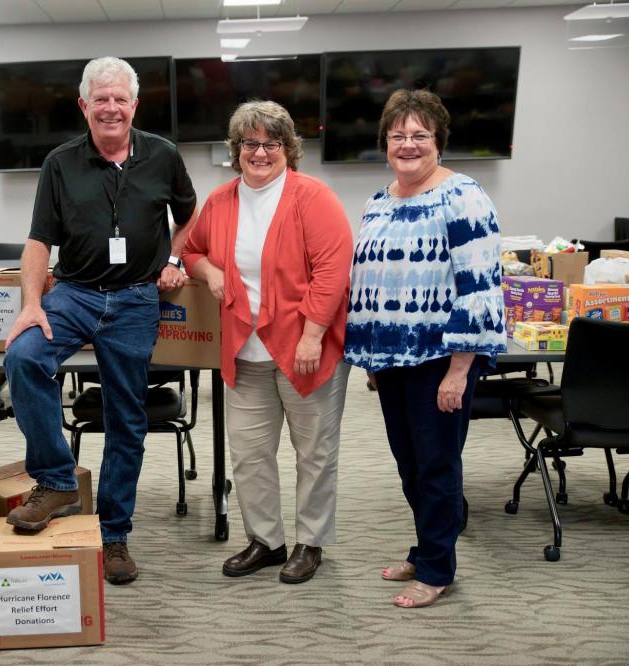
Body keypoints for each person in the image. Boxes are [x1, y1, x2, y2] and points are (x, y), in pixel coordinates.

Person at [3, 56, 197, 585]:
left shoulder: (164, 155)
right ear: (84, 106)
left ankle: (115, 536)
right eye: (101, 99)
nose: (111, 108)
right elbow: (40, 240)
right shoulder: (60, 163)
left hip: (136, 300)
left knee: (126, 415)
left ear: (134, 105)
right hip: (77, 293)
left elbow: (189, 213)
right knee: (23, 356)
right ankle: (57, 479)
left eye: (121, 99)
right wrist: (31, 304)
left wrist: (175, 260)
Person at [344, 89, 507, 608]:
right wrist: (371, 358)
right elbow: (371, 279)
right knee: (410, 464)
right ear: (385, 142)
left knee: (437, 466)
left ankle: (438, 569)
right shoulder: (380, 199)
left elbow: (480, 288)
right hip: (391, 359)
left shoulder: (463, 196)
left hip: (440, 359)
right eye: (398, 136)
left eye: (420, 136)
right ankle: (427, 548)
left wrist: (460, 371)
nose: (408, 145)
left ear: (439, 141)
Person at [183, 101, 353, 584]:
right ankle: (266, 540)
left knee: (314, 452)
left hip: (305, 350)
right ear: (236, 151)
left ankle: (310, 542)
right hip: (244, 351)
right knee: (249, 453)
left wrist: (313, 335)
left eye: (270, 144)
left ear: (287, 149)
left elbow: (333, 272)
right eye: (250, 144)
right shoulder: (219, 201)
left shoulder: (311, 197)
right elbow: (191, 250)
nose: (260, 153)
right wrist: (209, 270)